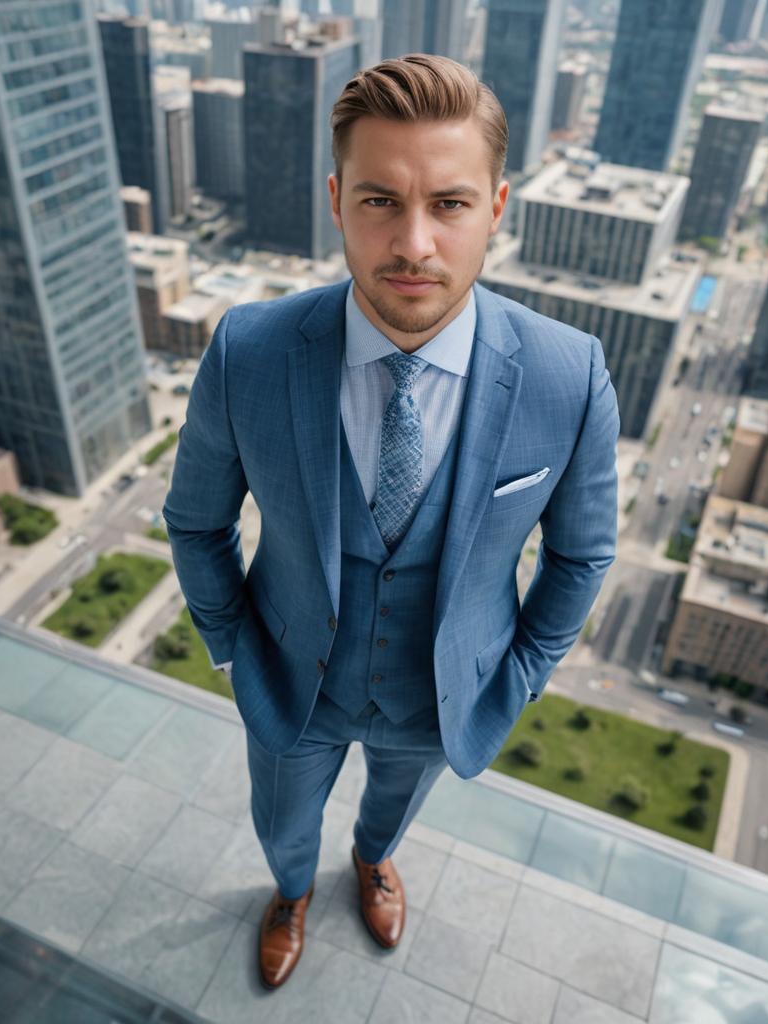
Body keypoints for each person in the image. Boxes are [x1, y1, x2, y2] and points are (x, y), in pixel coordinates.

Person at [163, 52, 619, 990]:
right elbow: (195, 524)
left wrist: (520, 673)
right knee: (282, 823)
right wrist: (228, 649)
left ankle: (373, 860)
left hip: (442, 698)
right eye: (380, 201)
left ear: (496, 208)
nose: (413, 242)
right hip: (290, 683)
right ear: (337, 200)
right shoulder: (247, 351)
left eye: (449, 203)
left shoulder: (569, 375)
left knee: (393, 811)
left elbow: (581, 556)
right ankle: (291, 890)